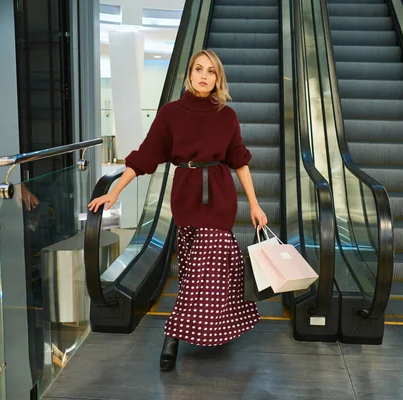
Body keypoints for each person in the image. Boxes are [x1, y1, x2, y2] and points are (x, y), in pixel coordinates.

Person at [88, 49, 268, 372]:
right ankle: (208, 324)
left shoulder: (227, 115)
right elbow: (146, 155)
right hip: (186, 197)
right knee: (191, 269)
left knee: (208, 263)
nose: (203, 75)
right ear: (189, 73)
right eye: (198, 69)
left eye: (210, 71)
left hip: (219, 198)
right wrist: (115, 190)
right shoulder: (171, 113)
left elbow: (239, 160)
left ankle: (172, 335)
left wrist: (255, 204)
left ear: (218, 78)